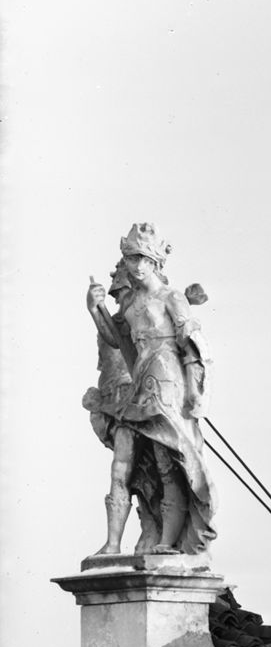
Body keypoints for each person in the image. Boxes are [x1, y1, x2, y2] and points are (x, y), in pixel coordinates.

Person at [84, 223, 216, 556]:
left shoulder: (172, 298)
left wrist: (198, 393)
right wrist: (96, 309)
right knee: (121, 464)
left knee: (167, 464)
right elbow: (117, 340)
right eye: (131, 258)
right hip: (140, 385)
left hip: (168, 387)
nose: (137, 265)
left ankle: (166, 543)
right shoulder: (130, 304)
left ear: (155, 261)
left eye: (143, 258)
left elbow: (193, 348)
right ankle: (112, 544)